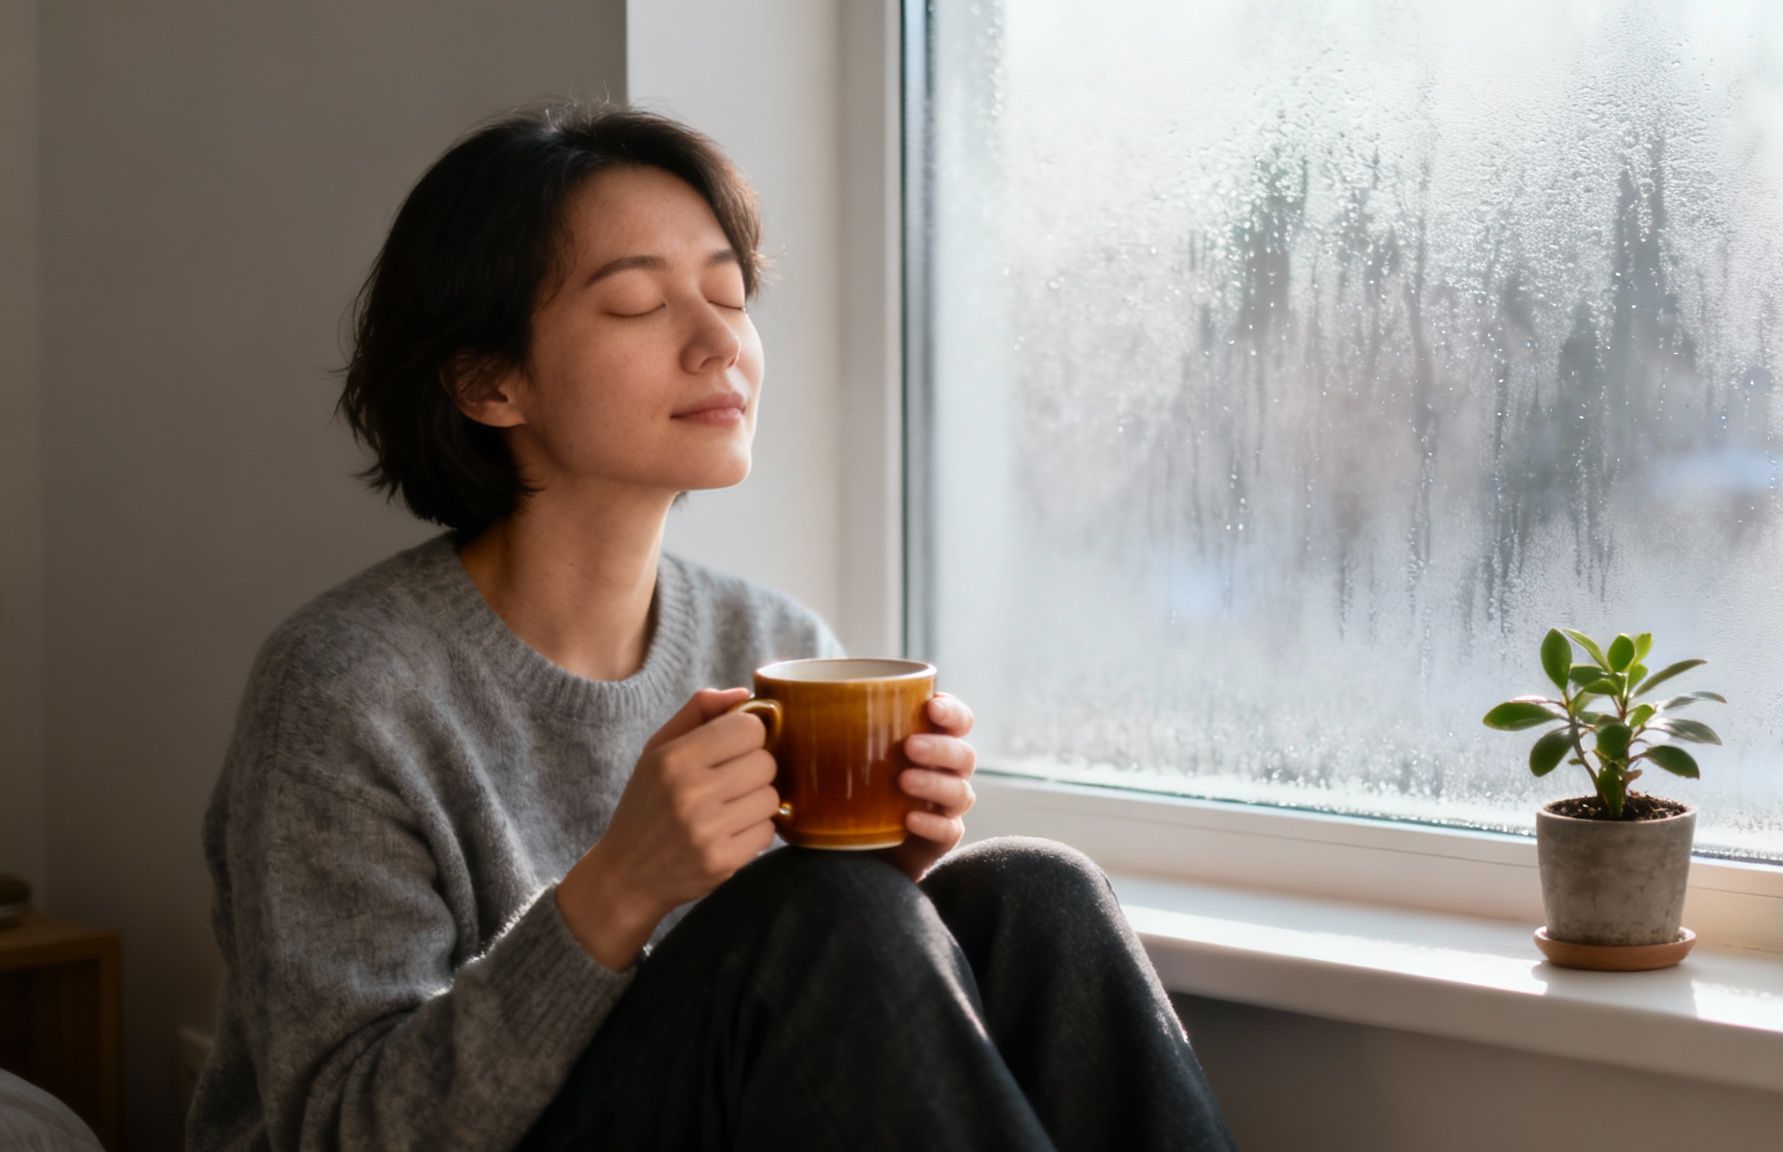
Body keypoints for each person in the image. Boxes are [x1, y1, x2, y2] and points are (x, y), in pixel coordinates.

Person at [185, 100, 1238, 1152]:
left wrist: (888, 881)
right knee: (829, 916)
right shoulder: (347, 688)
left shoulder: (766, 637)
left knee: (1034, 896)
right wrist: (619, 888)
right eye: (639, 304)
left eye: (728, 294)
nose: (717, 341)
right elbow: (341, 1130)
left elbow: (782, 1025)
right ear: (487, 380)